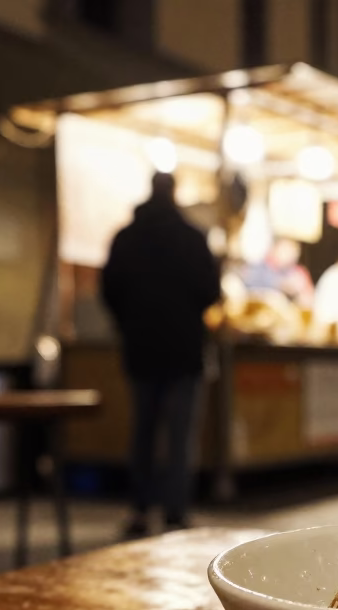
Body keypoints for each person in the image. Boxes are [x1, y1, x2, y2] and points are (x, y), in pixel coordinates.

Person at [102, 172, 221, 537]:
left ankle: (139, 509)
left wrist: (128, 324)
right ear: (175, 194)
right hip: (184, 349)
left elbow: (109, 289)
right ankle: (175, 511)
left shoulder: (125, 237)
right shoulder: (192, 237)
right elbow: (211, 291)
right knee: (180, 435)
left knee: (143, 430)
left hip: (140, 348)